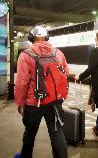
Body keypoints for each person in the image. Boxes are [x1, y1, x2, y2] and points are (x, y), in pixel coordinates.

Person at [14, 26, 69, 158]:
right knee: (56, 132)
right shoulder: (58, 53)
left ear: (31, 38)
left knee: (30, 133)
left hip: (34, 103)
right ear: (47, 37)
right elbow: (65, 73)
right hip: (55, 101)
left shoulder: (26, 55)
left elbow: (22, 82)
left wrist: (20, 103)